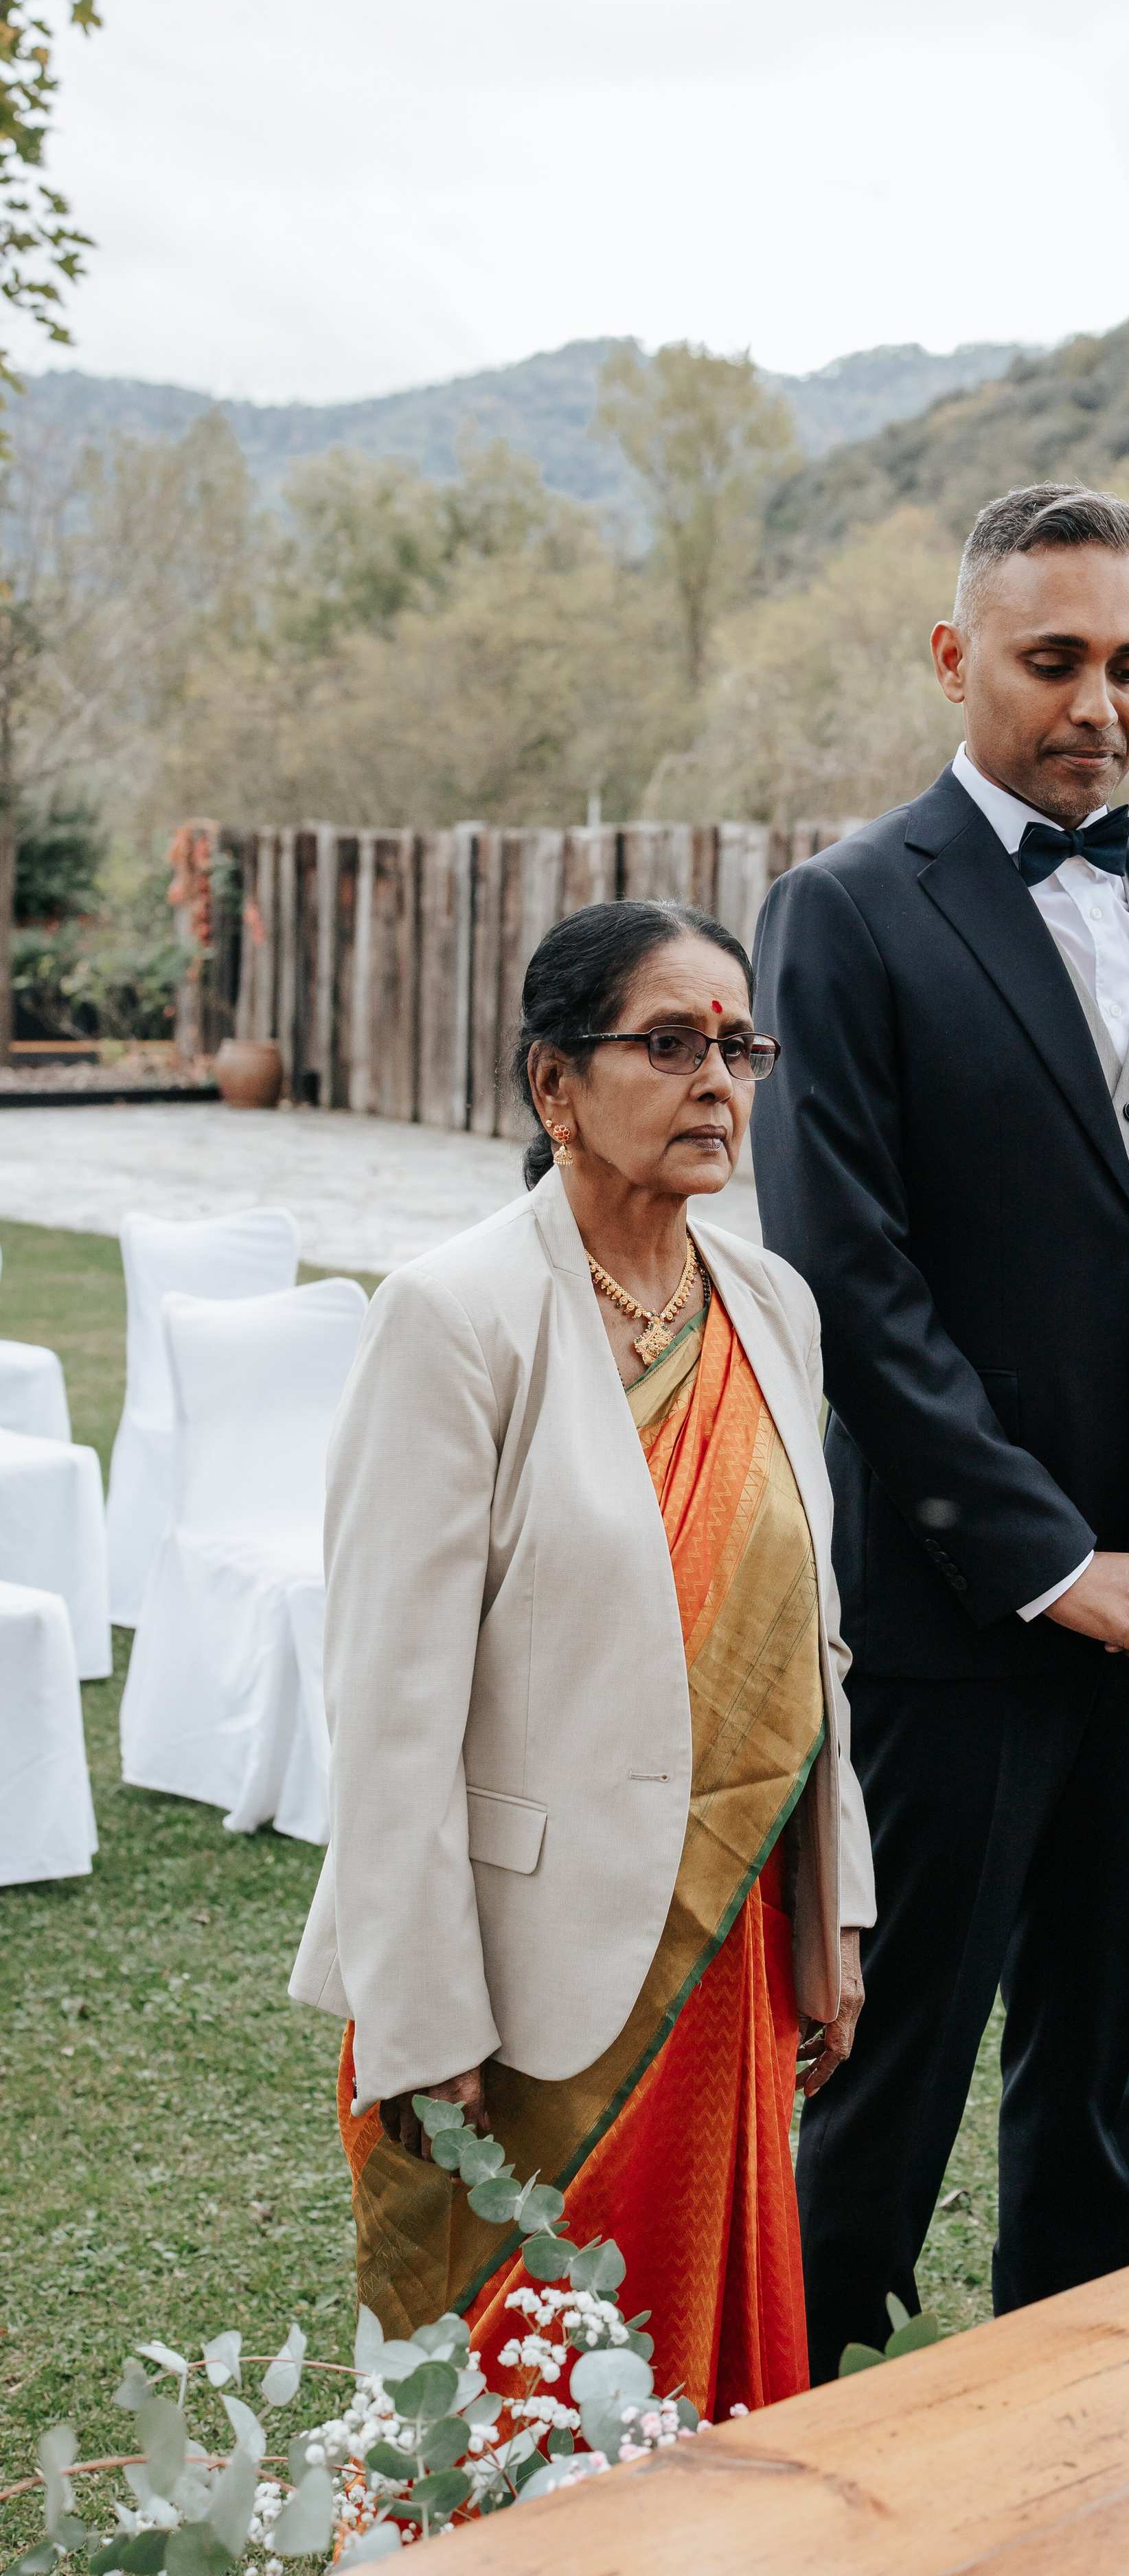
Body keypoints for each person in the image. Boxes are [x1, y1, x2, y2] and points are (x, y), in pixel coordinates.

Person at [751, 482, 1129, 2380]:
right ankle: (799, 2439)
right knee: (894, 2072)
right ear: (954, 656)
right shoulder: (840, 916)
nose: (1097, 702)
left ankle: (1073, 2443)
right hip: (960, 1618)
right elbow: (852, 1285)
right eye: (1053, 658)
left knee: (1094, 2070)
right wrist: (1056, 1567)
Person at [289, 900, 874, 2422]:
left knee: (690, 2389)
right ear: (556, 1087)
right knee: (507, 2412)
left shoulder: (771, 1307)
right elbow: (388, 1705)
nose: (717, 1082)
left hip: (726, 1952)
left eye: (736, 1046)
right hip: (518, 1978)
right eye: (667, 1044)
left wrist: (839, 1915)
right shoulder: (453, 1317)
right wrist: (421, 2024)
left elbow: (812, 1642)